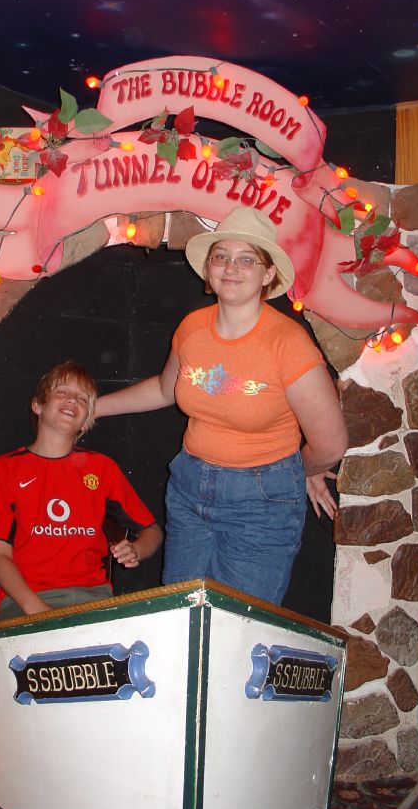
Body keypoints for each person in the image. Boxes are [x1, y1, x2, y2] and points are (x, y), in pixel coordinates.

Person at [94, 206, 348, 606]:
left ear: (268, 274)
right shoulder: (192, 328)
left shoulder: (288, 344)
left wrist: (300, 471)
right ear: (208, 268)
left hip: (260, 504)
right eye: (221, 256)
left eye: (247, 259)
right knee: (182, 612)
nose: (231, 268)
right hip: (190, 490)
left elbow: (331, 444)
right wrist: (94, 408)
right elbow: (164, 390)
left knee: (238, 623)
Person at [0, 361, 163, 619]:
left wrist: (137, 550)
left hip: (92, 597)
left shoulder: (101, 468)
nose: (72, 400)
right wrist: (38, 612)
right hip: (25, 600)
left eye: (82, 399)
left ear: (86, 421)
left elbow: (152, 531)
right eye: (62, 391)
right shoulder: (5, 469)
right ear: (38, 405)